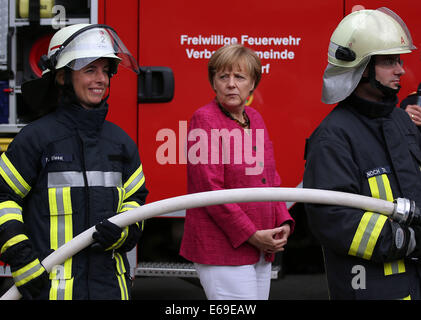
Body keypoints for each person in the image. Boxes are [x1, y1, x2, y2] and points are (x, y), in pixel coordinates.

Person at [0, 24, 148, 300]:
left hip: (111, 291)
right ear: (62, 77)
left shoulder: (121, 143)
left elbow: (136, 203)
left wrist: (121, 233)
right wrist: (21, 259)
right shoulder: (37, 139)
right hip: (52, 291)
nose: (101, 79)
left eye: (105, 70)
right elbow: (3, 198)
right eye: (90, 70)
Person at [303, 8, 421, 299]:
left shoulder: (401, 121)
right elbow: (332, 217)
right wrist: (402, 239)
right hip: (371, 287)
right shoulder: (333, 136)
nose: (401, 70)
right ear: (363, 67)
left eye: (400, 60)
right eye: (390, 61)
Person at [179, 44, 294, 300]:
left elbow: (271, 179)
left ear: (252, 83)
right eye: (223, 77)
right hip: (222, 249)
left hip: (261, 246)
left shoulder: (255, 117)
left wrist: (283, 221)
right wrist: (253, 235)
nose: (231, 84)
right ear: (213, 83)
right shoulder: (204, 119)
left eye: (239, 77)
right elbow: (210, 189)